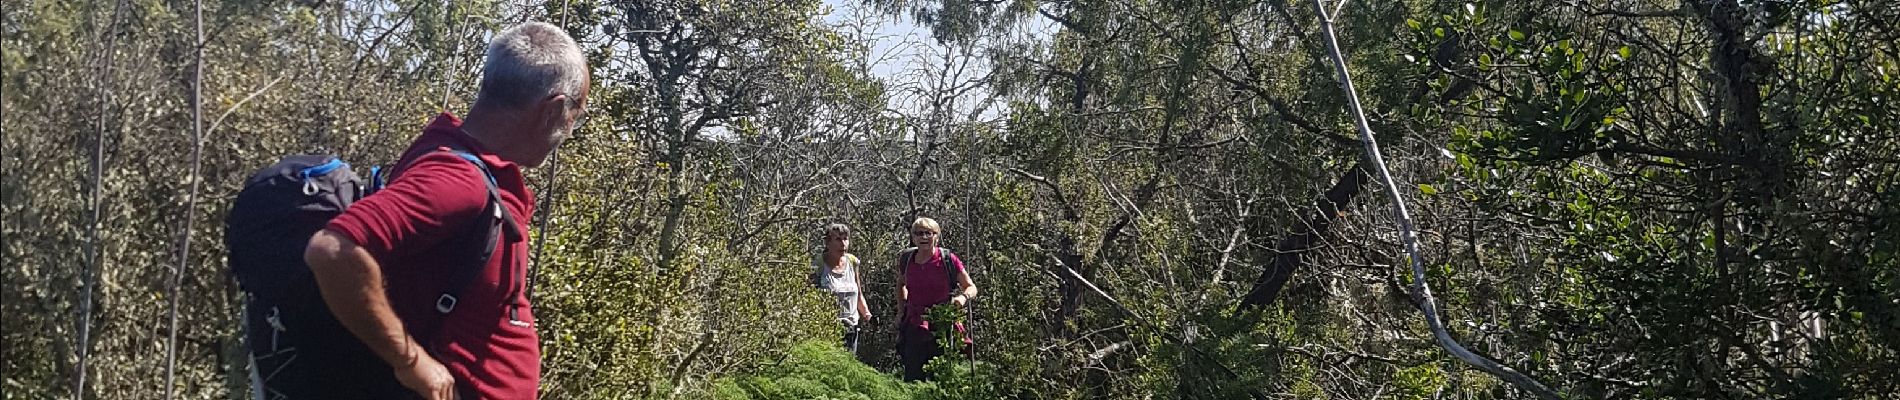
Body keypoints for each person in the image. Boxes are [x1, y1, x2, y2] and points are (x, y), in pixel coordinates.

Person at [301, 22, 589, 400]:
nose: (570, 129)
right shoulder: (458, 179)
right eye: (575, 115)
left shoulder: (464, 160)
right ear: (551, 110)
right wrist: (410, 361)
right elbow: (332, 250)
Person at [895, 217, 977, 381]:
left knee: (940, 375)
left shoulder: (948, 260)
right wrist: (901, 310)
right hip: (914, 325)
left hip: (943, 323)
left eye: (928, 233)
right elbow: (900, 283)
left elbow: (971, 287)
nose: (924, 237)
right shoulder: (907, 260)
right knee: (913, 375)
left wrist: (962, 298)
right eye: (919, 233)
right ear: (913, 237)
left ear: (936, 236)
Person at [810, 223, 872, 353]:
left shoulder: (852, 262)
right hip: (827, 329)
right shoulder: (818, 265)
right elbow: (808, 298)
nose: (843, 244)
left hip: (851, 328)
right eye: (838, 239)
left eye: (845, 239)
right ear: (828, 243)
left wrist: (867, 315)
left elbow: (858, 294)